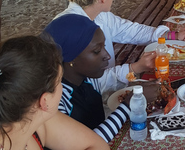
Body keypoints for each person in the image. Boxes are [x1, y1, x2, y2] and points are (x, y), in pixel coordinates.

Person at [55, 0, 185, 84]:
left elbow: (130, 30)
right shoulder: (74, 30)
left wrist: (172, 35)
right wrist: (135, 67)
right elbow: (90, 84)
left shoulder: (99, 15)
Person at [43, 14, 158, 143]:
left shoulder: (86, 78)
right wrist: (128, 105)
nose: (107, 56)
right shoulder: (54, 100)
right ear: (71, 58)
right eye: (97, 51)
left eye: (104, 47)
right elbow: (86, 144)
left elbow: (110, 77)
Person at [0, 36, 109, 149]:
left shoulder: (38, 120)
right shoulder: (35, 119)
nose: (62, 87)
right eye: (59, 81)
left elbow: (98, 145)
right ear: (44, 101)